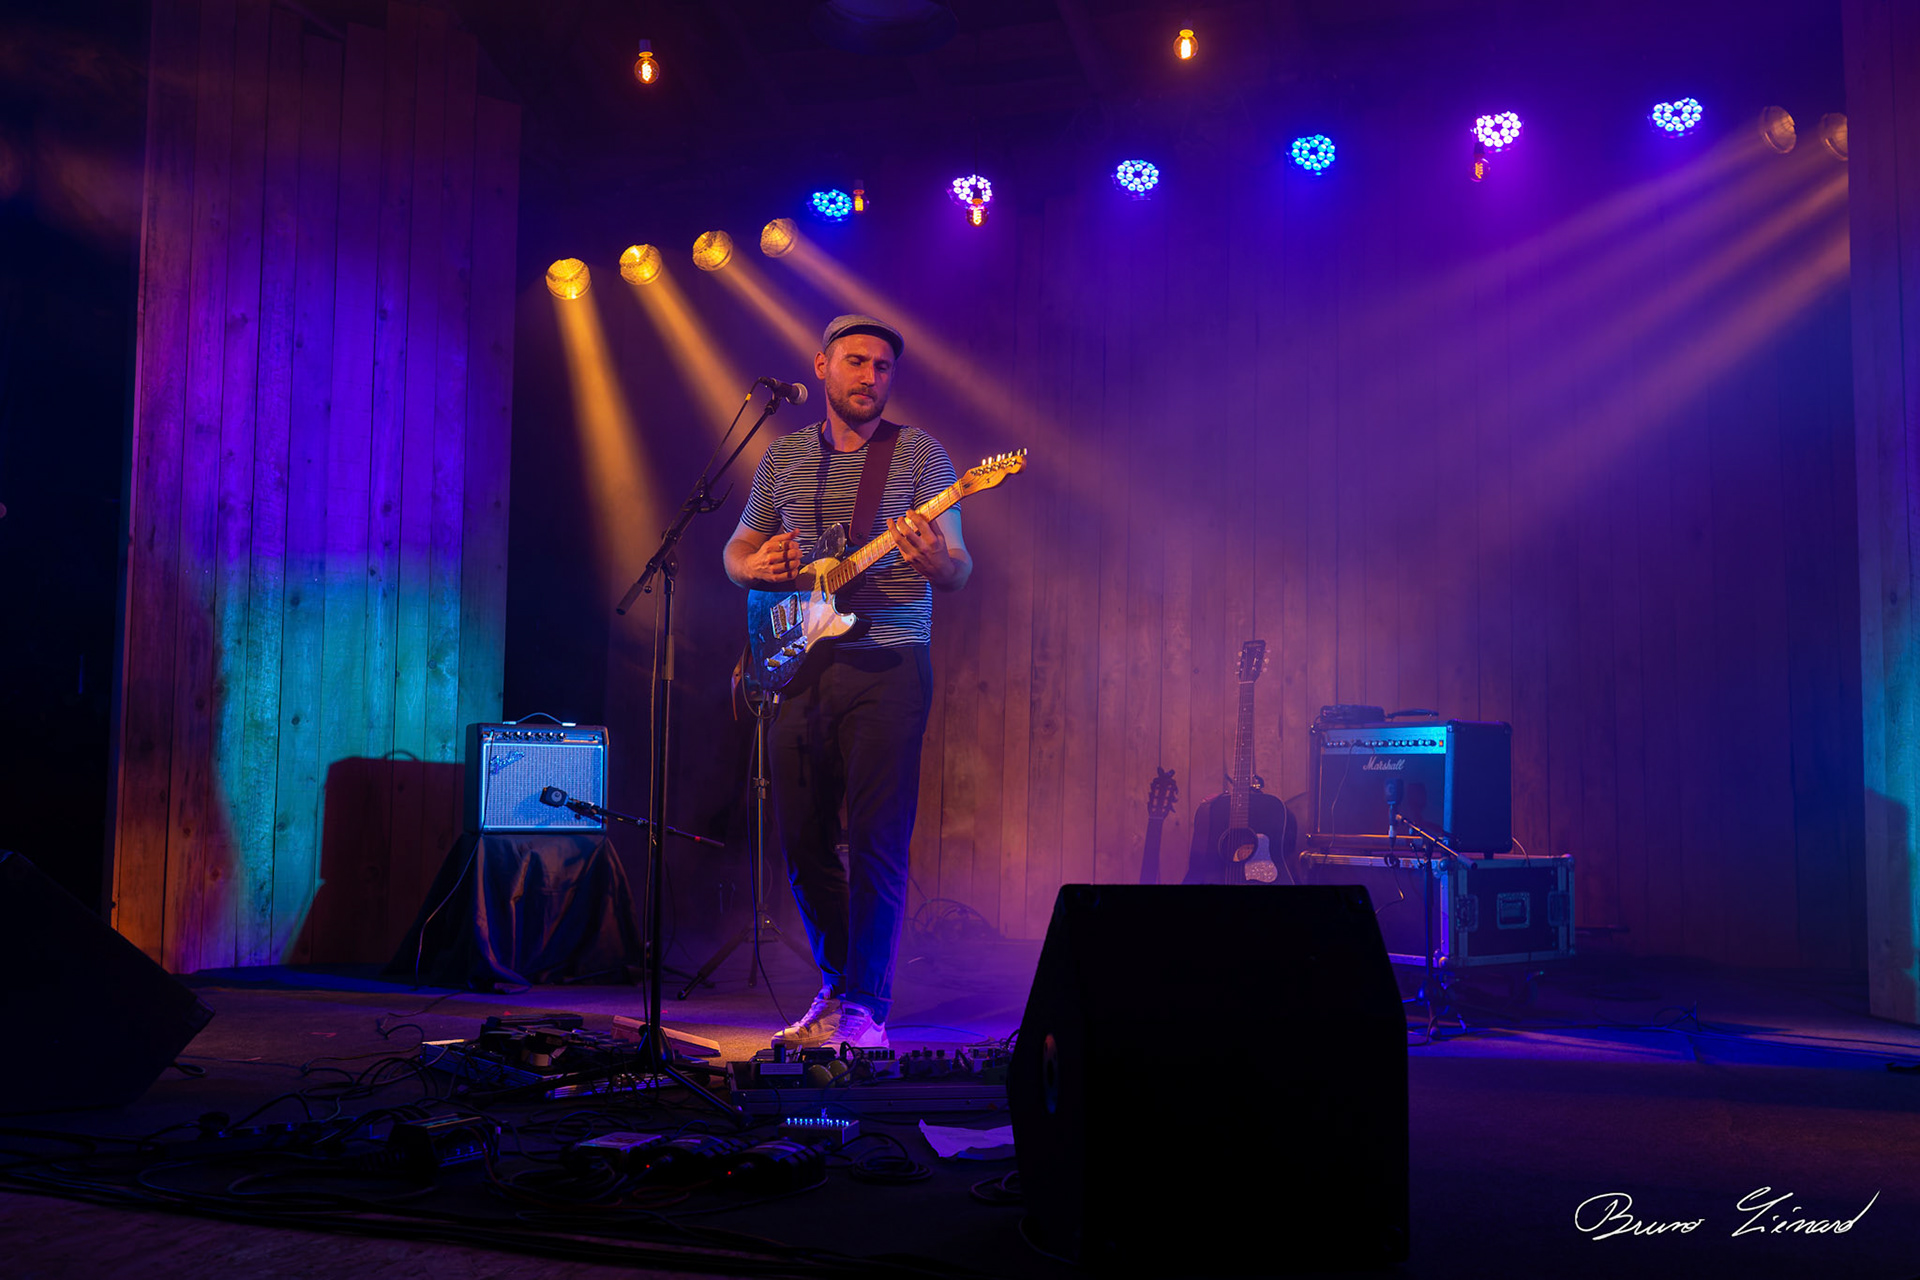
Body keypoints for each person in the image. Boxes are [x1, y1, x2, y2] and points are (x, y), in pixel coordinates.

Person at [722, 314, 972, 1049]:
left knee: (875, 843)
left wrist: (937, 563)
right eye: (856, 361)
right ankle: (837, 987)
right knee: (802, 842)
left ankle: (866, 1008)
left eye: (883, 366)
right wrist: (753, 566)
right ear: (821, 366)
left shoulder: (920, 455)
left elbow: (958, 566)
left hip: (889, 666)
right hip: (799, 665)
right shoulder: (784, 456)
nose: (870, 376)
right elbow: (737, 550)